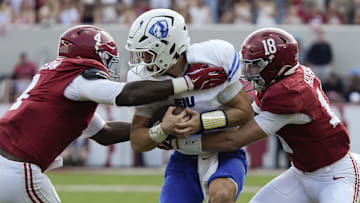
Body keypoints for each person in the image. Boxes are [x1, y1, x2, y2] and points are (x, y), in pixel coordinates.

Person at [0, 25, 227, 203]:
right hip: (15, 169)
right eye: (107, 58)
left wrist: (152, 132)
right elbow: (125, 95)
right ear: (93, 54)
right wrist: (187, 82)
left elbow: (104, 133)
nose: (109, 65)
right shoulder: (77, 76)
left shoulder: (59, 81)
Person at [172, 27, 360, 203]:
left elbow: (235, 139)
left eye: (255, 66)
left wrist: (183, 144)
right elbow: (244, 117)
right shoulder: (287, 78)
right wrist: (203, 120)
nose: (249, 72)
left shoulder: (289, 94)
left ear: (275, 65)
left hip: (336, 175)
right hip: (300, 174)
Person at [126, 9, 253, 203]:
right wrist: (162, 129)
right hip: (185, 156)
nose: (143, 60)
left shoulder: (211, 59)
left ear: (167, 48)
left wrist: (202, 122)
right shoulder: (146, 82)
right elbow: (137, 140)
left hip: (225, 150)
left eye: (148, 53)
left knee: (221, 196)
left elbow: (244, 112)